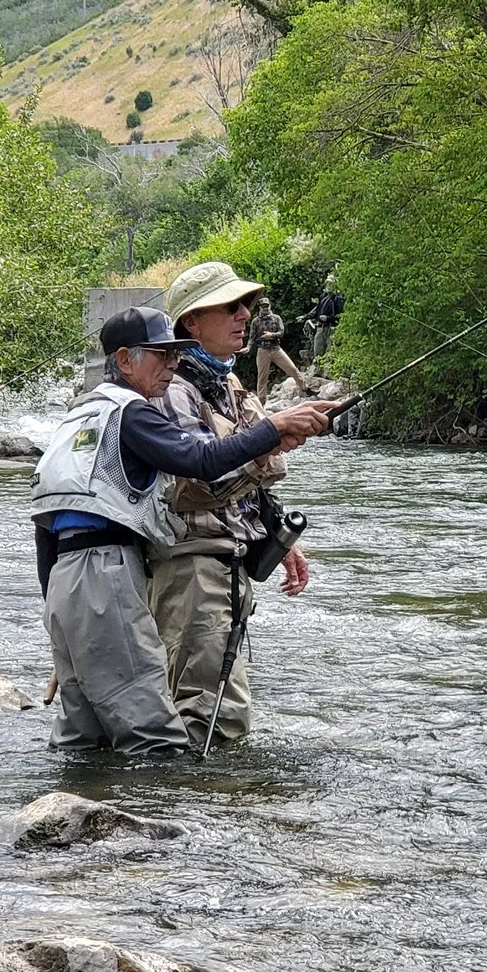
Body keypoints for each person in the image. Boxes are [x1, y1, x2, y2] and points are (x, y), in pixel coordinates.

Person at [31, 306, 336, 754]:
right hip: (107, 575)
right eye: (164, 355)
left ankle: (77, 797)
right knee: (154, 735)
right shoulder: (132, 413)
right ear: (125, 360)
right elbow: (201, 461)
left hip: (62, 581)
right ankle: (169, 803)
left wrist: (62, 618)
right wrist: (273, 428)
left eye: (176, 356)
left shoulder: (79, 418)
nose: (174, 366)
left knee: (83, 736)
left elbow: (44, 524)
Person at [155, 261, 313, 750]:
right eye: (231, 307)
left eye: (245, 304)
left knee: (218, 709)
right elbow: (201, 475)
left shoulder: (227, 383)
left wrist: (278, 537)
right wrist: (271, 438)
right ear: (192, 322)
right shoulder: (172, 391)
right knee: (210, 715)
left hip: (226, 563)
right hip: (191, 568)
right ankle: (202, 795)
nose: (245, 314)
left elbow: (246, 481)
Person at [249, 294, 306, 400]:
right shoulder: (255, 321)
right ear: (260, 307)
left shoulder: (276, 318)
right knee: (262, 377)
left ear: (270, 306)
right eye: (263, 306)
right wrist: (248, 347)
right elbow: (251, 337)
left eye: (267, 306)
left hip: (276, 349)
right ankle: (261, 401)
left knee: (292, 369)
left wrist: (271, 335)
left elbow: (281, 332)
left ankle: (304, 389)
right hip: (262, 350)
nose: (265, 308)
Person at [302, 274, 345, 365]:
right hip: (320, 327)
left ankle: (328, 370)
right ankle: (317, 369)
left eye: (331, 284)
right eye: (328, 283)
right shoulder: (323, 297)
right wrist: (306, 317)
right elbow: (317, 310)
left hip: (332, 328)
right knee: (317, 352)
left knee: (330, 353)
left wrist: (328, 318)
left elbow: (340, 315)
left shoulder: (338, 298)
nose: (329, 286)